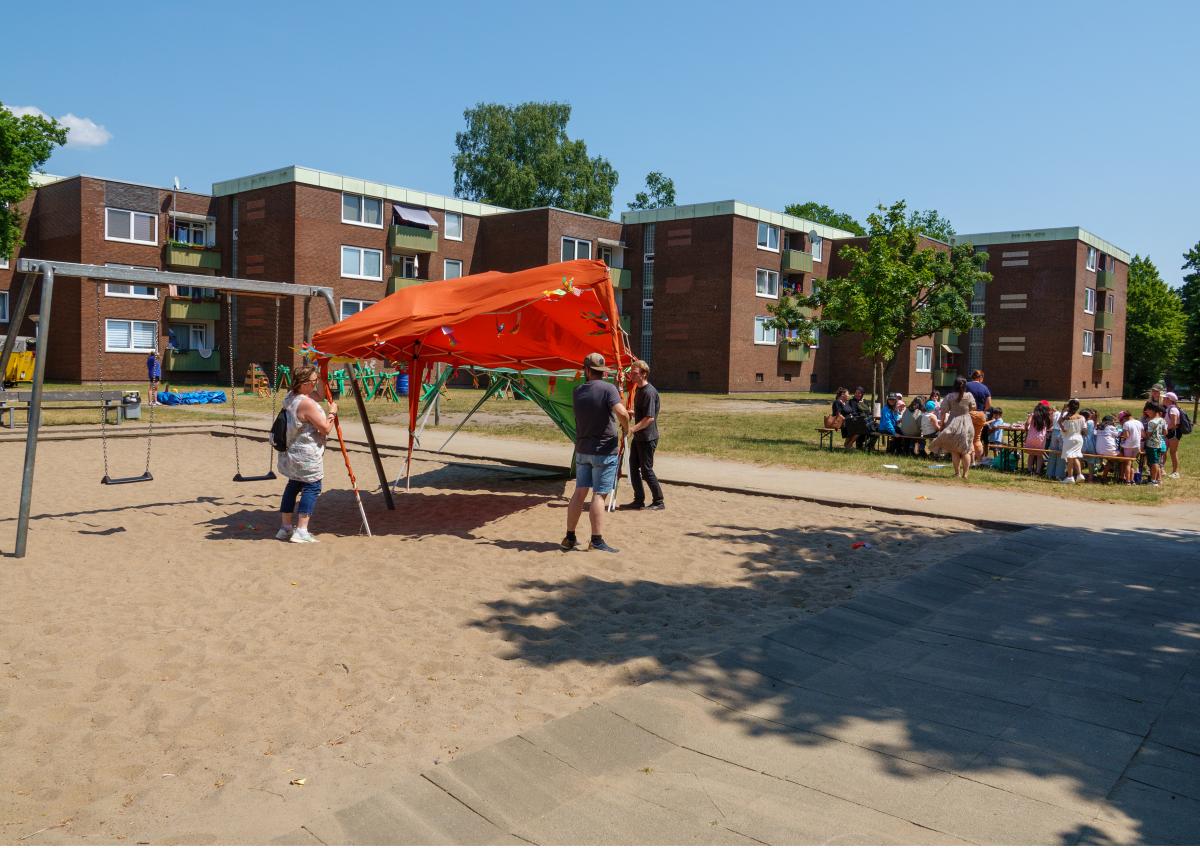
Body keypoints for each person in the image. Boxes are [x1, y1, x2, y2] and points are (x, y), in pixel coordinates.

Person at [563, 353, 630, 553]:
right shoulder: (608, 388)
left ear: (586, 370)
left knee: (579, 492)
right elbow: (622, 413)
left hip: (583, 449)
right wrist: (626, 427)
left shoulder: (577, 391)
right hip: (604, 450)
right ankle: (596, 539)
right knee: (599, 495)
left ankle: (570, 536)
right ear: (602, 371)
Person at [276, 364, 338, 543]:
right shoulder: (306, 404)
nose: (315, 384)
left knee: (293, 485)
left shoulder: (291, 397)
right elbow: (325, 429)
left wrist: (321, 378)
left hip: (292, 453)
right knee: (312, 487)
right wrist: (332, 413)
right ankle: (301, 530)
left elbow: (318, 395)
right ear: (303, 383)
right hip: (306, 454)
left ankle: (286, 527)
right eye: (313, 381)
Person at [625, 359, 664, 510]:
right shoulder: (639, 390)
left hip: (647, 438)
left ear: (644, 374)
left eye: (634, 374)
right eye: (632, 373)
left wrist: (632, 429)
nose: (632, 376)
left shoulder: (649, 392)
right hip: (639, 437)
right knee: (633, 467)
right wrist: (632, 412)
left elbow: (649, 418)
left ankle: (659, 501)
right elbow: (643, 413)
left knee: (646, 470)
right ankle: (639, 500)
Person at [930, 376, 978, 479]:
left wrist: (942, 424)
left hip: (953, 423)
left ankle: (957, 473)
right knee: (966, 450)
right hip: (967, 424)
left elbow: (943, 411)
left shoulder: (949, 397)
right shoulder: (969, 396)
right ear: (965, 385)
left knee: (955, 450)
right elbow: (973, 407)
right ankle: (965, 474)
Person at [1058, 398, 1085, 484]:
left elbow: (1063, 427)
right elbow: (1084, 430)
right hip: (1079, 438)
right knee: (1075, 456)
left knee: (1070, 458)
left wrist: (1063, 411)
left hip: (1070, 438)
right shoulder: (1082, 417)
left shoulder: (1067, 418)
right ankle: (1080, 475)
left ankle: (1070, 477)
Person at [1024, 402, 1054, 477]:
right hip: (1041, 438)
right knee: (1039, 455)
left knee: (1031, 454)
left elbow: (1027, 423)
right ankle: (1037, 471)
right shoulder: (1045, 417)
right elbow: (1050, 426)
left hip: (1031, 437)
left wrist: (1026, 428)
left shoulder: (1033, 415)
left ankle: (1029, 470)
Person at [1144, 402, 1167, 486]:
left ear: (1153, 410)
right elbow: (1165, 432)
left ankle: (1153, 481)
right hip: (1160, 444)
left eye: (1148, 410)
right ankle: (1158, 480)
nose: (1146, 412)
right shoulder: (1162, 420)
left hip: (1152, 445)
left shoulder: (1151, 422)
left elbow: (1148, 435)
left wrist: (1144, 432)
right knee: (1157, 462)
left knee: (1154, 463)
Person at [1118, 410, 1144, 485]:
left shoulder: (1126, 424)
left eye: (1121, 420)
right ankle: (1132, 480)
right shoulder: (1139, 422)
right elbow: (1143, 435)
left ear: (1124, 418)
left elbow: (1126, 435)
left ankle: (1127, 481)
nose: (1121, 422)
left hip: (1128, 446)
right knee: (1131, 463)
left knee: (1127, 464)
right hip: (1137, 446)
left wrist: (1121, 435)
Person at [848, 386, 877, 451]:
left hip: (867, 420)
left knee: (878, 428)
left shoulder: (865, 401)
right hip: (858, 421)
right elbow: (854, 412)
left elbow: (869, 412)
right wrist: (862, 415)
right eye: (856, 393)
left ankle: (869, 446)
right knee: (863, 428)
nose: (857, 394)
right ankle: (859, 445)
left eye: (859, 393)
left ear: (862, 394)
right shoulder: (852, 401)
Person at [1163, 391, 1184, 478]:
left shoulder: (1173, 409)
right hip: (1169, 432)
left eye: (1165, 398)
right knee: (1163, 451)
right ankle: (1161, 469)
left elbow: (1174, 423)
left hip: (1173, 432)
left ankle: (1175, 472)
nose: (1163, 399)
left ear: (1169, 399)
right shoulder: (1169, 408)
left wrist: (1165, 429)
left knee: (1173, 452)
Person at [1095, 415, 1121, 481]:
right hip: (1109, 451)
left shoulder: (1098, 427)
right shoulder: (1111, 427)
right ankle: (1121, 477)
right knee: (1125, 458)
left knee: (1110, 460)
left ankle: (1104, 476)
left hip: (1098, 450)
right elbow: (1118, 434)